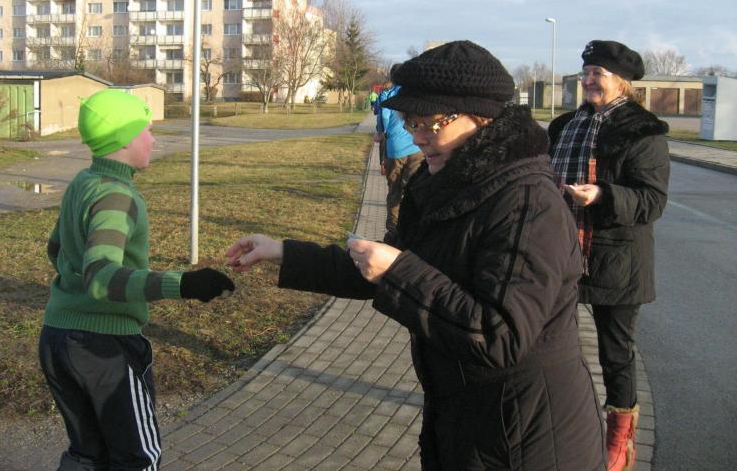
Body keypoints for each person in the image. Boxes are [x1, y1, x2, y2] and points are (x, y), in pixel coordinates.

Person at [227, 41, 605, 470]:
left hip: (527, 438)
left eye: (430, 123)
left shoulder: (527, 202)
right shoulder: (445, 183)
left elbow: (499, 336)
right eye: (410, 122)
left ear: (481, 118)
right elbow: (379, 264)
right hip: (464, 420)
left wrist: (397, 272)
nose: (416, 136)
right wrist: (282, 252)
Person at [39, 89, 235, 471]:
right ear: (124, 137)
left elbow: (55, 248)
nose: (153, 139)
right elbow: (101, 278)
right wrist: (184, 284)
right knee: (138, 458)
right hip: (104, 348)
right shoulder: (117, 196)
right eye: (148, 130)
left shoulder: (83, 181)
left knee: (87, 455)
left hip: (57, 337)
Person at [548, 40, 669, 471]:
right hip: (560, 251)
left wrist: (601, 195)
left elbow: (652, 201)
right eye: (585, 73)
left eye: (596, 73)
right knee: (553, 343)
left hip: (616, 259)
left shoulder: (643, 131)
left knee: (615, 353)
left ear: (621, 82)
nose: (587, 80)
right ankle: (565, 420)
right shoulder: (565, 125)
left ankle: (621, 437)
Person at [375, 74, 424, 242]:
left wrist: (382, 132)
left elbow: (383, 116)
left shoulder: (388, 94)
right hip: (417, 147)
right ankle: (411, 230)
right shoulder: (416, 92)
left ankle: (393, 231)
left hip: (396, 147)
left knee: (394, 190)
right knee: (412, 189)